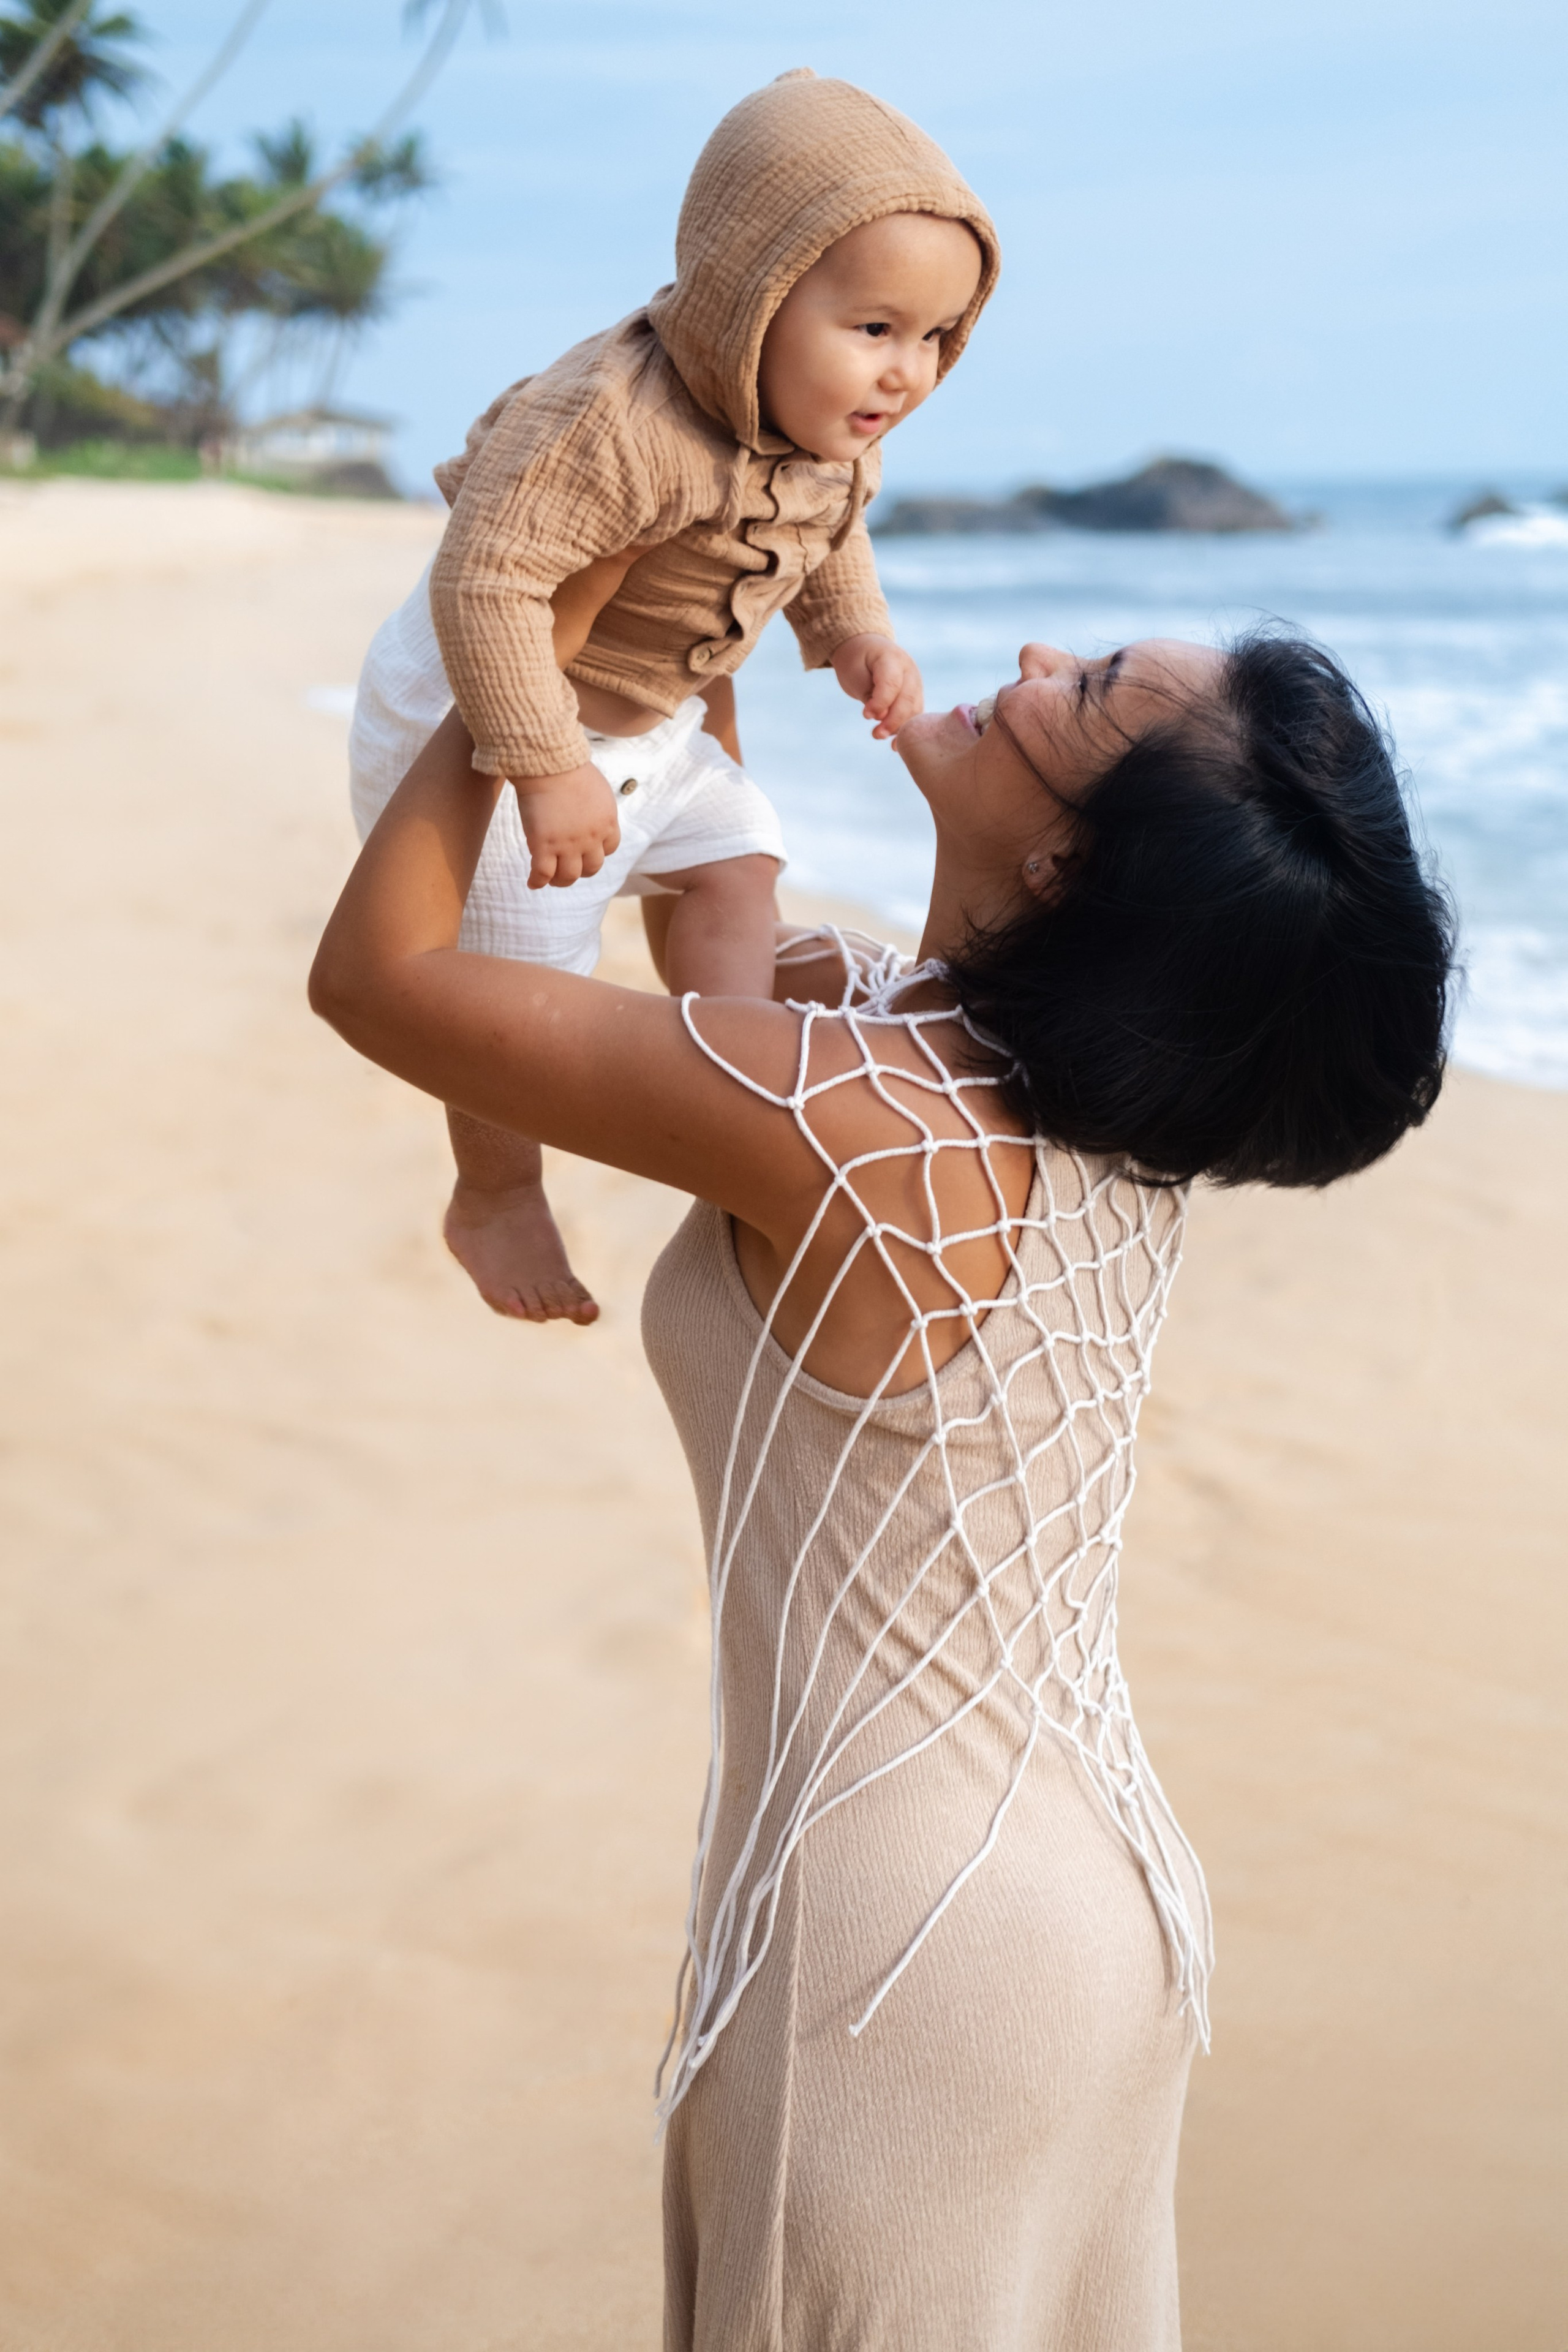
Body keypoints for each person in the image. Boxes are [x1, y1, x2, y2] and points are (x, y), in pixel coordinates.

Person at [311, 627, 1453, 2348]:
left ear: (1070, 863)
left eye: (1084, 693)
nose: (1032, 653)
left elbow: (383, 982)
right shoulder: (1035, 1090)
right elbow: (683, 896)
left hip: (904, 1952)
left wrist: (523, 665)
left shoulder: (853, 1113)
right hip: (1094, 1900)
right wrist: (669, 676)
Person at [348, 69, 998, 1326]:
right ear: (749, 295)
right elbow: (486, 584)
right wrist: (540, 763)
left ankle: (730, 1080)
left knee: (740, 859)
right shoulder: (608, 421)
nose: (906, 373)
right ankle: (492, 1190)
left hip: (649, 713)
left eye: (936, 338)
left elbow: (833, 523)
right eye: (874, 328)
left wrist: (854, 633)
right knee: (508, 981)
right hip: (492, 695)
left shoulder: (827, 425)